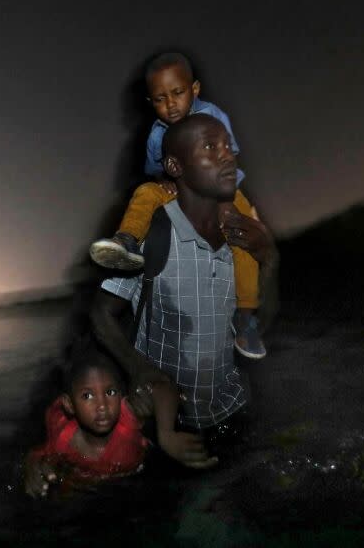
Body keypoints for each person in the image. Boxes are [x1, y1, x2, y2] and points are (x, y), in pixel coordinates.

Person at [91, 114, 277, 458]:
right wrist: (140, 371)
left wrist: (269, 258)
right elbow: (101, 315)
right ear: (175, 165)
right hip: (167, 427)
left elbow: (262, 323)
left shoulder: (243, 235)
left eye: (227, 147)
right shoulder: (154, 232)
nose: (227, 156)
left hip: (234, 411)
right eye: (210, 147)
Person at [89, 52, 266, 359]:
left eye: (177, 93)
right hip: (180, 186)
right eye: (160, 99)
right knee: (145, 192)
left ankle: (246, 315)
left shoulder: (213, 116)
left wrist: (226, 198)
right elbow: (155, 170)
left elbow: (228, 157)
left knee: (243, 235)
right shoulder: (157, 135)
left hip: (221, 185)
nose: (170, 104)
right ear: (151, 101)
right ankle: (127, 240)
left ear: (194, 89)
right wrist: (164, 180)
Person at [23, 348, 216, 498]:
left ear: (121, 395)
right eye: (87, 396)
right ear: (70, 405)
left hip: (136, 481)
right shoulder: (63, 439)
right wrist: (32, 470)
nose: (102, 406)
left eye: (110, 392)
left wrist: (167, 435)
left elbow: (161, 385)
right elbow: (36, 455)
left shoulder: (126, 419)